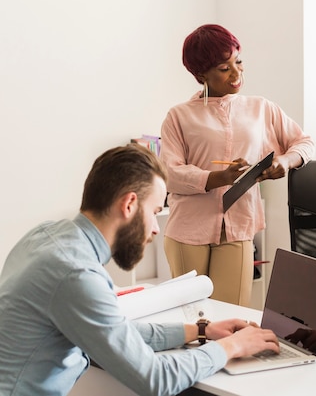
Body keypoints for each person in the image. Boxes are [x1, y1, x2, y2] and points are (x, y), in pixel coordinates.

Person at [0, 144, 279, 396]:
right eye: (155, 211)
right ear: (130, 204)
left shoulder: (46, 236)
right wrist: (233, 347)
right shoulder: (76, 273)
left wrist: (201, 330)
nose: (156, 229)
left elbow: (115, 331)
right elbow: (154, 379)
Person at [160, 24, 314, 307]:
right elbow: (169, 174)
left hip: (240, 226)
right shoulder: (178, 116)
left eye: (238, 61)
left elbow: (304, 143)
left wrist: (284, 161)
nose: (236, 73)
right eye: (223, 67)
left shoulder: (261, 108)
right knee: (190, 316)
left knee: (231, 315)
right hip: (188, 230)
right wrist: (219, 177)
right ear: (200, 74)